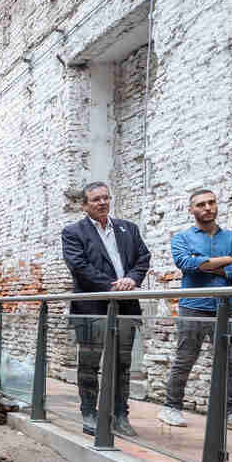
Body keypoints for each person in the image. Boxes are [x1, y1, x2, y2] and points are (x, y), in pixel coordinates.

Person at [159, 189, 232, 433]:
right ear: (191, 210)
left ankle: (231, 413)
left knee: (230, 361)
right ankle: (171, 407)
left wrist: (208, 264)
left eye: (212, 202)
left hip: (226, 307)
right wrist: (227, 260)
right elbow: (186, 264)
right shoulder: (182, 238)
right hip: (193, 306)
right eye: (201, 204)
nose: (207, 207)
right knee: (185, 357)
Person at [61, 182, 151, 438]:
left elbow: (143, 258)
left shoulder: (128, 229)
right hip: (92, 308)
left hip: (125, 306)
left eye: (105, 198)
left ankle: (120, 415)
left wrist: (131, 280)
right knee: (89, 364)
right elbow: (78, 266)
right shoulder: (73, 232)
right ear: (84, 205)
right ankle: (89, 413)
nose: (102, 203)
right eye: (95, 199)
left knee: (122, 365)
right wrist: (113, 285)